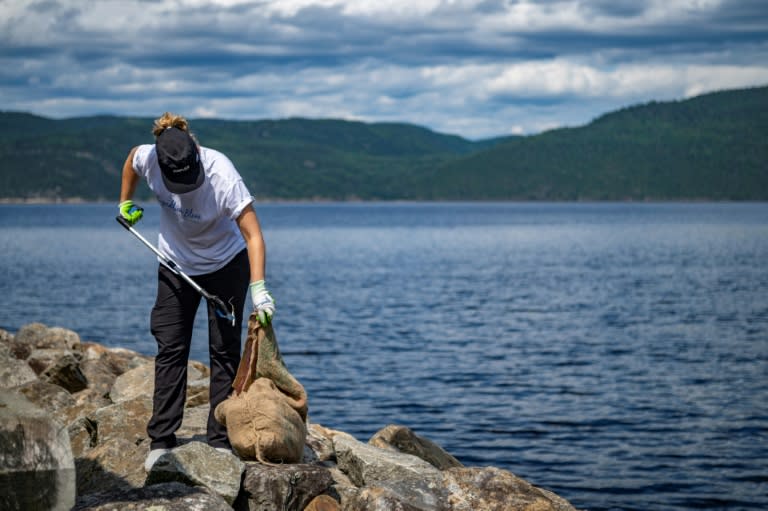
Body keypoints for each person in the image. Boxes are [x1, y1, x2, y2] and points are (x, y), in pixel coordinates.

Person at [118, 112, 275, 471]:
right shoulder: (149, 157)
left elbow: (253, 235)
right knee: (171, 347)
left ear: (197, 153)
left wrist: (260, 289)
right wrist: (124, 201)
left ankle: (219, 440)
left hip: (225, 265)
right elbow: (130, 159)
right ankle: (161, 440)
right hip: (175, 264)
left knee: (223, 351)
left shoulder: (222, 174)